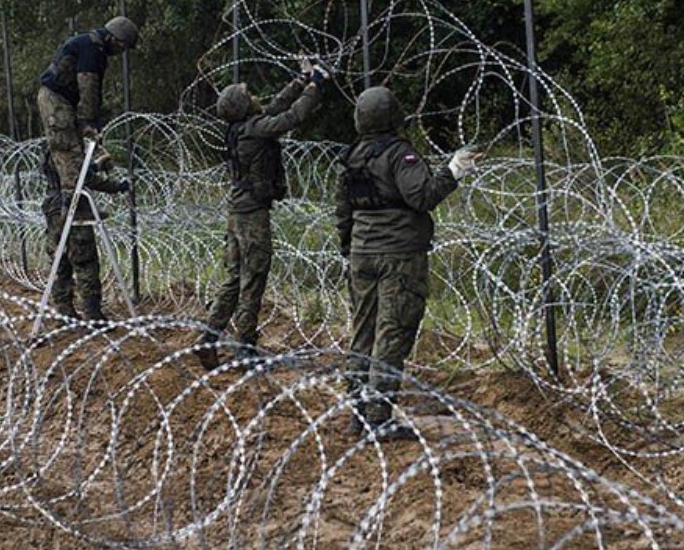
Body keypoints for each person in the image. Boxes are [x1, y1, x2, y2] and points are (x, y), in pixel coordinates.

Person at [334, 85, 478, 441]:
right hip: (398, 255)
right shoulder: (400, 155)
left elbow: (342, 211)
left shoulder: (352, 156)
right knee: (392, 332)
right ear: (393, 116)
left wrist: (348, 248)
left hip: (362, 254)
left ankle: (357, 411)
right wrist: (453, 171)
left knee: (363, 331)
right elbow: (422, 196)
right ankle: (378, 416)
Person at [194, 59, 330, 370]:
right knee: (253, 279)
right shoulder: (255, 130)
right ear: (243, 106)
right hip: (253, 213)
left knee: (232, 278)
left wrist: (301, 80)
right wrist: (316, 86)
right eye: (248, 95)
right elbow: (293, 116)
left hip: (237, 209)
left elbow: (276, 106)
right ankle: (245, 349)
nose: (254, 95)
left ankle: (208, 338)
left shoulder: (241, 128)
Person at [37, 16, 139, 218]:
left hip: (61, 100)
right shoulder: (94, 49)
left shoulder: (90, 43)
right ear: (115, 39)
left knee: (75, 152)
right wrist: (89, 120)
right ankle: (75, 207)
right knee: (68, 149)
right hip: (56, 100)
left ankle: (77, 204)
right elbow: (89, 86)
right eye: (123, 47)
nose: (121, 53)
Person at [41, 145, 128, 321]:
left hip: (54, 208)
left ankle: (64, 313)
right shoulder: (69, 146)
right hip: (73, 209)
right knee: (84, 260)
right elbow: (82, 178)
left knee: (60, 262)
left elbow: (70, 172)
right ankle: (92, 315)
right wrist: (118, 186)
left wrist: (94, 166)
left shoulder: (51, 145)